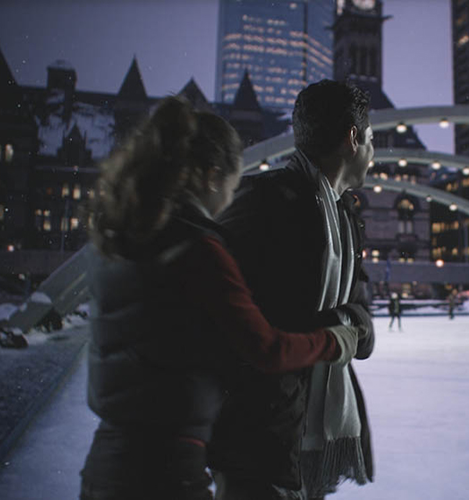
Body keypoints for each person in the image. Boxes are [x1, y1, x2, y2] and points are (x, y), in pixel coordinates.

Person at [79, 96, 363, 500]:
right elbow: (265, 348)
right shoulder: (196, 249)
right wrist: (334, 341)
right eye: (231, 186)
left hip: (104, 464)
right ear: (212, 176)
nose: (228, 202)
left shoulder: (112, 241)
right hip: (168, 472)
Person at [208, 79, 376, 500]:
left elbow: (360, 319)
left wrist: (348, 325)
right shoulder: (265, 204)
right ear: (352, 139)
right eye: (371, 140)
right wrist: (335, 329)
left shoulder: (347, 218)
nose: (374, 154)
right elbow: (236, 322)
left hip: (312, 437)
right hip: (259, 436)